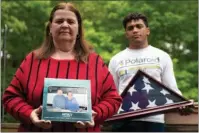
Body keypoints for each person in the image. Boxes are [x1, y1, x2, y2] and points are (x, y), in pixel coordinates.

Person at [2, 2, 122, 132]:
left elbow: (113, 99)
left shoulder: (95, 62)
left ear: (78, 29)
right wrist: (29, 114)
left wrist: (94, 114)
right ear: (50, 28)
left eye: (70, 21)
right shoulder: (32, 60)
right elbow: (10, 97)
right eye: (59, 21)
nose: (65, 25)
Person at [108, 12, 183, 132]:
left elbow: (171, 88)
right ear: (126, 34)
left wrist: (183, 103)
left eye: (139, 26)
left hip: (154, 120)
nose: (135, 30)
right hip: (123, 120)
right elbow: (112, 93)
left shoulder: (162, 56)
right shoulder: (116, 59)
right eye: (130, 28)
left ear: (147, 30)